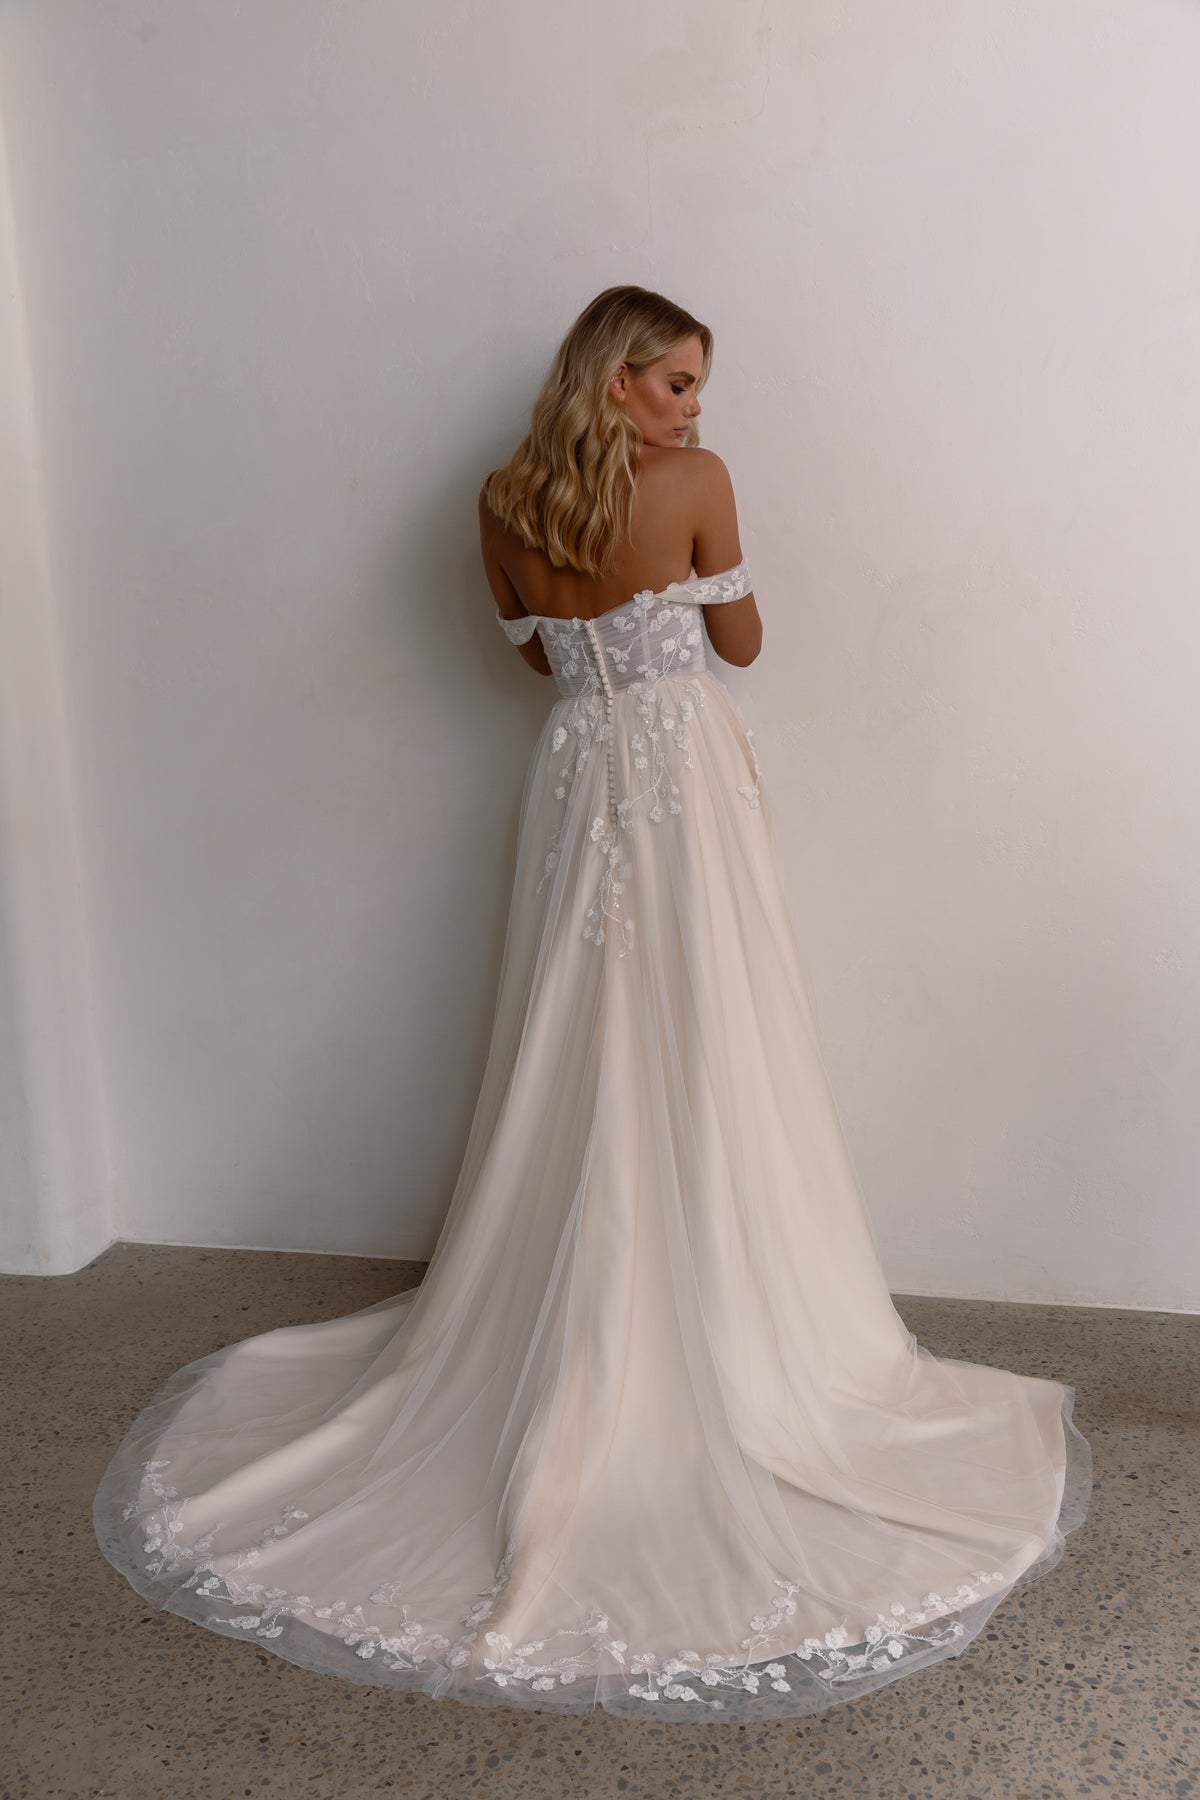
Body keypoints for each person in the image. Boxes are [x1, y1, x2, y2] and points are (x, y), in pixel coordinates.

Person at [93, 285, 1092, 1721]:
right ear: (616, 379)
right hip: (678, 774)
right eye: (677, 381)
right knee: (707, 1020)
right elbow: (743, 645)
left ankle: (583, 1293)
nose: (696, 407)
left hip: (573, 770)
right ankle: (719, 1300)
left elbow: (528, 657)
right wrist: (684, 592)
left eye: (696, 388)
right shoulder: (697, 484)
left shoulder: (504, 500)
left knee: (574, 1025)